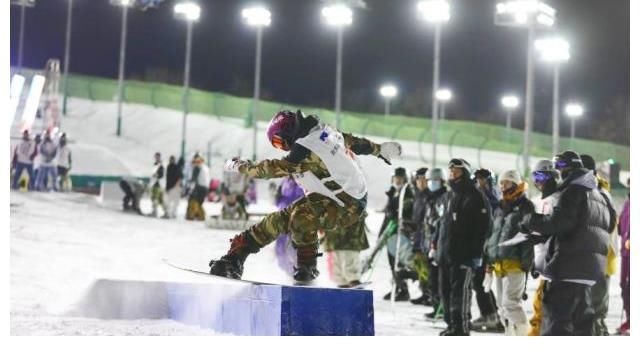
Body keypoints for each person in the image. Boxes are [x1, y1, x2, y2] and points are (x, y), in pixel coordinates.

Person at [208, 110, 401, 284]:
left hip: (347, 205)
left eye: (279, 142)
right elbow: (352, 141)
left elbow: (269, 170)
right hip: (332, 197)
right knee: (278, 220)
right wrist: (379, 149)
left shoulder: (305, 148)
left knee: (300, 216)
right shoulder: (324, 131)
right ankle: (235, 257)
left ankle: (307, 266)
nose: (282, 148)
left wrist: (238, 165)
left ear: (288, 132)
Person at [520, 151, 615, 336]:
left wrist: (530, 220)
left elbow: (559, 223)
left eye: (560, 168)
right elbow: (608, 224)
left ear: (567, 169)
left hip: (567, 269)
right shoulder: (597, 193)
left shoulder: (573, 191)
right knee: (582, 325)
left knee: (557, 324)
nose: (558, 174)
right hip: (589, 271)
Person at [436, 158, 492, 336]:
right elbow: (442, 226)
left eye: (457, 171)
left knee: (460, 292)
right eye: (451, 171)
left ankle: (461, 328)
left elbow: (483, 228)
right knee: (445, 291)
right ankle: (451, 325)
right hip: (446, 254)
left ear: (465, 173)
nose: (453, 174)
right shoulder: (449, 196)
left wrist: (474, 255)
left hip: (463, 256)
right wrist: (437, 249)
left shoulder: (475, 196)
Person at [483, 170, 535, 336]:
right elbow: (492, 234)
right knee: (501, 305)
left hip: (516, 262)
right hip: (498, 262)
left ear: (515, 184)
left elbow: (528, 237)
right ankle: (509, 334)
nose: (503, 186)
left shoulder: (526, 206)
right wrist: (488, 261)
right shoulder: (499, 206)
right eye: (502, 183)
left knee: (511, 303)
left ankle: (523, 334)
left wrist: (527, 263)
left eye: (507, 182)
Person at [580, 154, 618, 335]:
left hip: (599, 257)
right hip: (590, 257)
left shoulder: (600, 193)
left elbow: (610, 224)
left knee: (595, 306)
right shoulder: (586, 190)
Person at [527, 159, 562, 336]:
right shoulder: (539, 200)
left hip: (554, 266)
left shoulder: (557, 199)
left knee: (543, 309)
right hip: (544, 262)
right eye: (535, 176)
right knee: (540, 307)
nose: (538, 180)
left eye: (541, 175)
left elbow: (555, 230)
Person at [469, 168, 503, 333]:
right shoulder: (473, 199)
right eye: (478, 180)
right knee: (478, 282)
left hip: (487, 247)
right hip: (476, 245)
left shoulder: (493, 201)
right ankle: (489, 313)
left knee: (481, 282)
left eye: (483, 180)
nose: (480, 184)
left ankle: (492, 315)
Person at [379, 167, 415, 300]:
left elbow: (404, 213)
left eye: (400, 178)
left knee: (399, 263)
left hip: (401, 233)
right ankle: (397, 287)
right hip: (390, 232)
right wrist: (382, 234)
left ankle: (403, 290)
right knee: (392, 262)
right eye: (396, 178)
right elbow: (388, 216)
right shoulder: (393, 192)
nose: (398, 181)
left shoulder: (408, 193)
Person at [323, 216, 370, 288]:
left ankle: (352, 279)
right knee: (335, 257)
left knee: (349, 254)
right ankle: (342, 282)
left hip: (349, 224)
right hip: (331, 226)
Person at [274, 176, 306, 275]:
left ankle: (302, 271)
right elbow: (278, 200)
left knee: (298, 246)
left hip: (299, 220)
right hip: (283, 217)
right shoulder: (284, 181)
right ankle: (289, 270)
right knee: (281, 246)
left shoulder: (304, 180)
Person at [617, 178, 630, 335]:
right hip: (625, 253)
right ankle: (629, 318)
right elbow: (621, 227)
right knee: (624, 286)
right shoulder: (627, 203)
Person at [186, 153, 210, 221]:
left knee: (196, 202)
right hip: (204, 187)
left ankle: (194, 215)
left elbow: (194, 180)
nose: (196, 163)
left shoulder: (198, 168)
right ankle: (199, 215)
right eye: (195, 162)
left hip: (199, 187)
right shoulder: (205, 168)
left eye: (198, 162)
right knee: (199, 202)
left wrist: (191, 189)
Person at [150, 152, 168, 218]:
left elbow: (161, 174)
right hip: (157, 184)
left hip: (158, 185)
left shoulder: (161, 165)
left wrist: (156, 175)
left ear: (159, 157)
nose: (156, 158)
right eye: (155, 156)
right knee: (160, 199)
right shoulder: (156, 164)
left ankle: (154, 212)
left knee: (155, 198)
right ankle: (166, 212)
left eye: (157, 156)